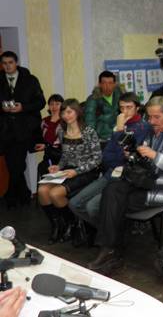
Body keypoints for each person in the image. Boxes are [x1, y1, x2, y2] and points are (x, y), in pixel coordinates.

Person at [87, 96, 163, 273]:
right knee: (112, 189)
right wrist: (133, 156)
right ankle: (110, 250)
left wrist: (155, 156)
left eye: (157, 117)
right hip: (144, 181)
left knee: (114, 203)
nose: (152, 121)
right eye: (149, 117)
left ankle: (111, 251)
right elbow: (144, 164)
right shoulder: (151, 132)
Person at [69, 92, 151, 227]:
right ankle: (105, 228)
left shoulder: (143, 127)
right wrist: (118, 136)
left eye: (129, 107)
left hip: (126, 176)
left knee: (92, 207)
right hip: (111, 173)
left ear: (137, 108)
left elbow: (130, 157)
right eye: (122, 107)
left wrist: (119, 131)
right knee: (74, 203)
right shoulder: (118, 125)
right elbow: (106, 156)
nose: (125, 111)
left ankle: (110, 229)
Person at [38, 99, 102, 244]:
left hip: (86, 172)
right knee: (42, 190)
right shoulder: (62, 130)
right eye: (63, 112)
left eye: (69, 112)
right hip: (67, 171)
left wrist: (77, 171)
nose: (66, 116)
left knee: (55, 194)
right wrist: (58, 167)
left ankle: (71, 224)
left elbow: (97, 159)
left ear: (77, 112)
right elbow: (65, 156)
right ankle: (57, 225)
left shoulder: (89, 131)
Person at [0, 51, 46, 208]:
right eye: (4, 63)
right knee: (12, 165)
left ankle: (12, 196)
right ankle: (23, 194)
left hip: (24, 129)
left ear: (16, 63)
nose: (7, 66)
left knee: (18, 164)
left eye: (10, 62)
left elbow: (41, 102)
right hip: (5, 130)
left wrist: (23, 107)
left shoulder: (30, 80)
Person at [84, 71, 122, 147]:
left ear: (114, 84)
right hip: (102, 139)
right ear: (99, 84)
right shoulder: (93, 99)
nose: (107, 86)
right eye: (104, 83)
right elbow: (89, 121)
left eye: (110, 83)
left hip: (119, 136)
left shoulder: (121, 96)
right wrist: (94, 141)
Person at [34, 94, 64, 188]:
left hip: (62, 157)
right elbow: (39, 138)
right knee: (43, 167)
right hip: (48, 157)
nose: (54, 107)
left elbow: (61, 142)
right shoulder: (44, 121)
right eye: (51, 104)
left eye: (57, 104)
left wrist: (46, 145)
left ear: (62, 106)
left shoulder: (65, 121)